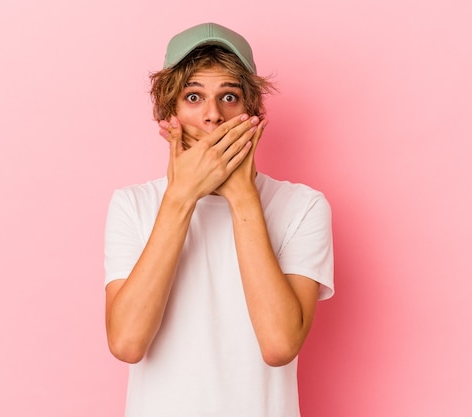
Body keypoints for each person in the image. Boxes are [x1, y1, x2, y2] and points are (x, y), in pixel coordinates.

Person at [104, 22, 334, 417]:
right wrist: (181, 197)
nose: (212, 116)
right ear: (169, 114)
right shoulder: (133, 205)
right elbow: (127, 343)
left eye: (229, 96)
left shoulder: (303, 206)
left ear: (252, 113)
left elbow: (279, 345)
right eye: (193, 96)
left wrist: (242, 195)